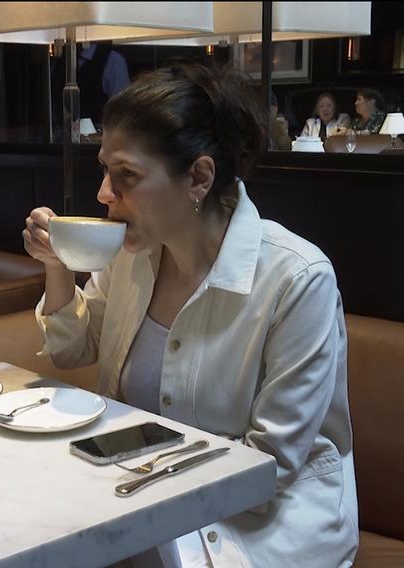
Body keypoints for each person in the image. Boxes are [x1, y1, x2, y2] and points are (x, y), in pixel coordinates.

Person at [23, 64, 356, 567]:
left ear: (198, 177)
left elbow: (271, 462)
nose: (103, 194)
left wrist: (127, 475)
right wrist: (57, 267)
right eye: (104, 171)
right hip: (139, 496)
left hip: (264, 523)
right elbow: (72, 349)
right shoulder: (134, 254)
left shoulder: (296, 279)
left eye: (126, 176)